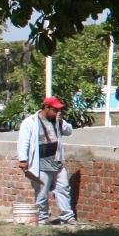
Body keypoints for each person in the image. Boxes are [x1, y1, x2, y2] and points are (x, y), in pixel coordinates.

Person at [16, 96, 77, 226]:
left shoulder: (57, 120)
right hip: (41, 163)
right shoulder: (30, 122)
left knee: (63, 189)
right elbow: (23, 141)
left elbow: (69, 131)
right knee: (42, 193)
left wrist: (61, 122)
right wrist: (23, 159)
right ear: (46, 107)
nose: (57, 112)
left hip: (57, 161)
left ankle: (67, 217)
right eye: (55, 110)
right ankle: (42, 218)